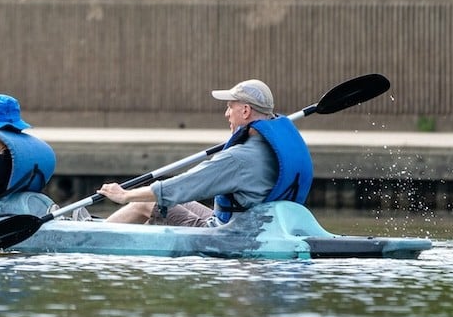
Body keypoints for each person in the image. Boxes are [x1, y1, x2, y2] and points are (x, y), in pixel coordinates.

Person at [97, 79, 313, 226]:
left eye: (230, 106)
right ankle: (108, 229)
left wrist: (124, 195)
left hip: (226, 235)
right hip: (258, 227)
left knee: (143, 201)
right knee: (170, 202)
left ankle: (92, 236)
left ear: (245, 111)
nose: (226, 113)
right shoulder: (270, 148)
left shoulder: (238, 159)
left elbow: (184, 185)